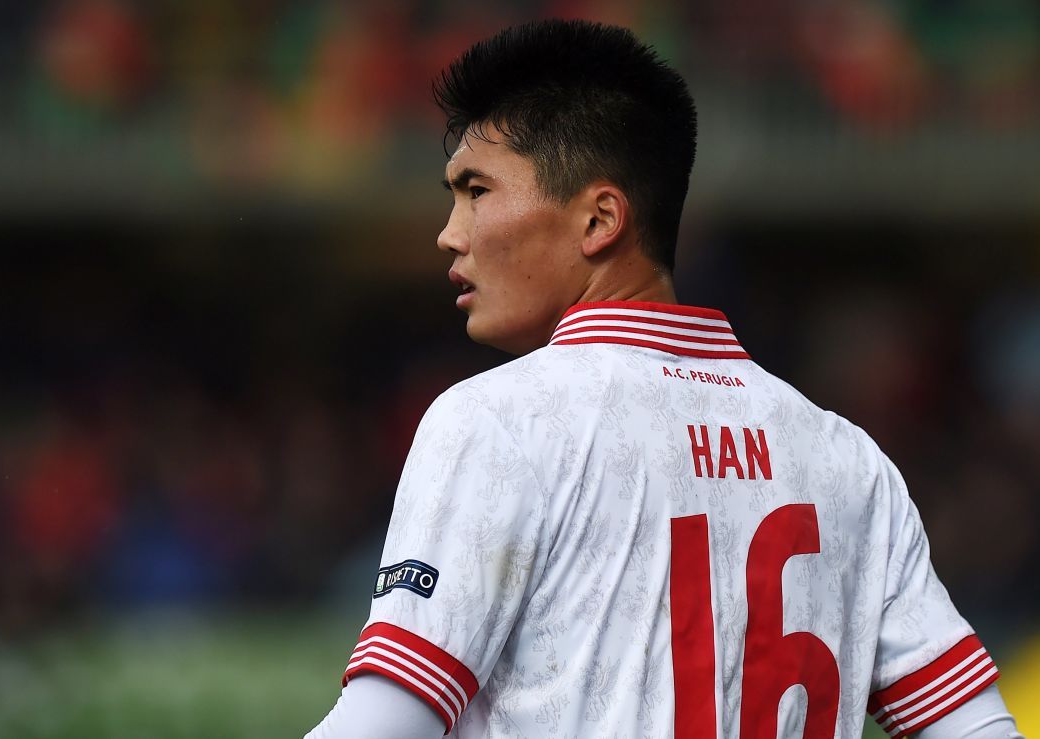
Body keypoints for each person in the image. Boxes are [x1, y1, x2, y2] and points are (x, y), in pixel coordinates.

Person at [305, 19, 1022, 739]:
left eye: (476, 190)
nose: (449, 232)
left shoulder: (497, 421)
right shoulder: (849, 460)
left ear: (600, 219)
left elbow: (384, 724)